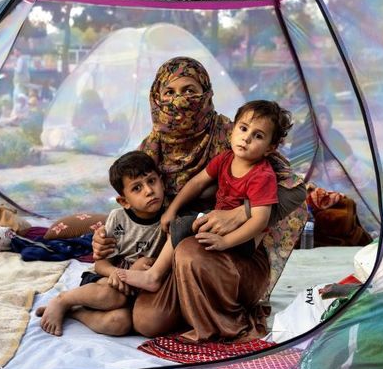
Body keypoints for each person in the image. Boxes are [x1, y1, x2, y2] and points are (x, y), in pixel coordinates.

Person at [92, 56, 306, 342]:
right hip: (173, 255)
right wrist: (106, 239)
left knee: (189, 251)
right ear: (157, 97)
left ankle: (213, 315)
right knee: (146, 321)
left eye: (190, 90)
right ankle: (186, 303)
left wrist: (240, 213)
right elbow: (135, 205)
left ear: (206, 92)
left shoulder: (232, 137)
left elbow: (297, 190)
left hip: (230, 256)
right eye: (170, 93)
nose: (180, 101)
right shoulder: (152, 147)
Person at [117, 100, 292, 293]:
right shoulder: (226, 159)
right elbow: (197, 183)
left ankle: (154, 276)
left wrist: (227, 241)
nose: (247, 138)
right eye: (243, 129)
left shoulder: (261, 176)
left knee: (183, 224)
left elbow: (260, 220)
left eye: (258, 136)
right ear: (233, 130)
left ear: (269, 148)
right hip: (219, 220)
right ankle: (166, 274)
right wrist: (172, 210)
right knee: (182, 216)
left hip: (244, 239)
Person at [36, 151, 166, 336]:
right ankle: (63, 300)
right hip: (106, 282)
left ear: (161, 181)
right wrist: (119, 274)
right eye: (137, 188)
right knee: (112, 296)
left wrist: (134, 273)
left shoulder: (169, 218)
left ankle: (75, 312)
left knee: (119, 323)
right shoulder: (118, 218)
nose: (149, 191)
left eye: (152, 181)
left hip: (138, 289)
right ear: (124, 201)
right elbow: (100, 263)